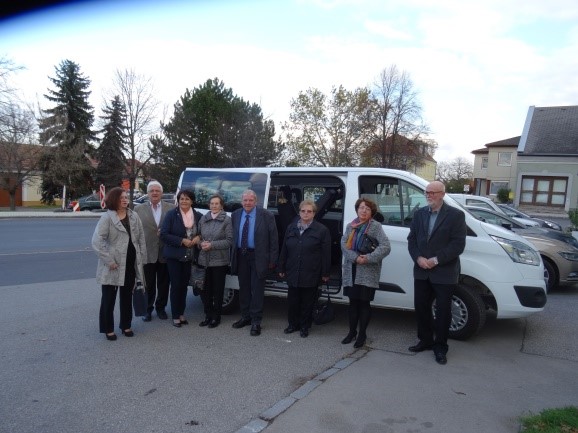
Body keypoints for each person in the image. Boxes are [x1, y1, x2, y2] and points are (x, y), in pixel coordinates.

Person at [407, 181, 466, 365]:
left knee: (443, 312)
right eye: (427, 192)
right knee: (421, 307)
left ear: (442, 194)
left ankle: (440, 347)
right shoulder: (419, 214)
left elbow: (458, 244)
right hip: (421, 270)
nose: (429, 195)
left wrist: (435, 260)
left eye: (433, 192)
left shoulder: (456, 215)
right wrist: (418, 258)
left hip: (444, 272)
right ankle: (425, 340)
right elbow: (412, 240)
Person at [92, 187, 147, 341]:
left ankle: (126, 325)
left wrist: (142, 260)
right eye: (121, 198)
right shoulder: (107, 217)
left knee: (127, 297)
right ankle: (108, 328)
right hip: (113, 265)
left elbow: (141, 238)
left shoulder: (133, 215)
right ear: (114, 200)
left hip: (130, 264)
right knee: (108, 298)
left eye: (126, 197)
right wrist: (109, 261)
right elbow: (97, 241)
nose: (125, 200)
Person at [340, 197, 391, 348]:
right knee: (352, 303)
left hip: (367, 271)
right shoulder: (351, 226)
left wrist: (368, 258)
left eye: (367, 209)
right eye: (361, 207)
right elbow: (343, 244)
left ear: (371, 212)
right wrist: (355, 258)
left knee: (364, 303)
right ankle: (351, 332)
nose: (364, 211)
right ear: (357, 209)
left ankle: (362, 334)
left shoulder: (375, 226)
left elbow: (385, 246)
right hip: (352, 269)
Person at [278, 200, 331, 338]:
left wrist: (325, 273)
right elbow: (284, 249)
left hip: (311, 271)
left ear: (314, 213)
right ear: (299, 212)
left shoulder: (322, 230)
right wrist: (281, 266)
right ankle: (292, 324)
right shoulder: (291, 228)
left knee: (307, 302)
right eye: (303, 211)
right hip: (293, 270)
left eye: (309, 211)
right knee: (293, 301)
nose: (306, 213)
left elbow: (326, 254)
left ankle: (304, 326)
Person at [230, 189, 278, 336]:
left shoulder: (267, 215)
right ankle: (246, 317)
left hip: (259, 256)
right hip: (241, 255)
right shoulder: (236, 214)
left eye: (251, 200)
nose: (248, 203)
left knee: (257, 289)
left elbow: (274, 239)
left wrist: (272, 259)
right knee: (243, 288)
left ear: (256, 201)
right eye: (245, 200)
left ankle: (256, 321)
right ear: (241, 201)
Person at [160, 189, 203, 328]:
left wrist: (199, 237)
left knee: (184, 286)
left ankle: (181, 313)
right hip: (174, 256)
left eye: (187, 199)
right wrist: (181, 241)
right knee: (176, 285)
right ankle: (175, 315)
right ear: (178, 200)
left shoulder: (198, 215)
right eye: (182, 198)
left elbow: (203, 231)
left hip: (190, 256)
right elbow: (164, 234)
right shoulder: (171, 214)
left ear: (192, 201)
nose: (184, 201)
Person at [134, 181, 175, 322]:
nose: (155, 193)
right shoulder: (138, 209)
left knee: (164, 284)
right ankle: (147, 310)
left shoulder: (171, 208)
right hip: (147, 252)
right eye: (152, 190)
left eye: (157, 190)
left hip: (165, 252)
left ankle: (161, 308)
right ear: (147, 193)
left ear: (161, 193)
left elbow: (176, 227)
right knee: (148, 284)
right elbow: (135, 231)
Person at [197, 194, 233, 328]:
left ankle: (216, 317)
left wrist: (212, 245)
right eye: (212, 203)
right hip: (204, 260)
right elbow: (198, 236)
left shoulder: (227, 220)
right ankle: (208, 315)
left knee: (218, 291)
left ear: (221, 205)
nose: (214, 206)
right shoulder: (203, 219)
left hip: (219, 262)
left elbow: (229, 241)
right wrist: (200, 244)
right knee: (205, 291)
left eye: (217, 203)